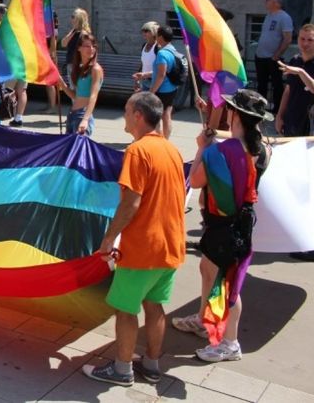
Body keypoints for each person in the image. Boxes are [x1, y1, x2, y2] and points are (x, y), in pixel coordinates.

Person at [82, 92, 186, 387]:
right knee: (154, 306)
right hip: (169, 245)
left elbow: (131, 202)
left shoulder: (138, 151)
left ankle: (122, 369)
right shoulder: (171, 150)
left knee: (126, 309)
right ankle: (151, 365)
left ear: (139, 115)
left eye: (127, 111)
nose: (125, 117)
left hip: (143, 248)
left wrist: (109, 238)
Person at [171, 89, 271, 362]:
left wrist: (202, 147)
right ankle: (205, 319)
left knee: (226, 285)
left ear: (234, 114)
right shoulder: (263, 150)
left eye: (229, 108)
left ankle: (230, 343)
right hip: (239, 224)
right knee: (210, 271)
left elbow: (196, 180)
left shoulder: (220, 152)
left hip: (222, 225)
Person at [58, 32, 104, 136]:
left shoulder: (95, 69)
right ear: (79, 48)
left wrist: (85, 119)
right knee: (70, 146)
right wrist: (61, 83)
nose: (91, 49)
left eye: (93, 46)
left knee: (80, 146)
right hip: (72, 114)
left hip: (83, 115)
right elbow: (76, 95)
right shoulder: (80, 68)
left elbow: (93, 96)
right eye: (87, 46)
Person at [254, 0, 293, 111]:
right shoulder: (268, 16)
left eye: (268, 0)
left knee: (277, 85)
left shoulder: (284, 17)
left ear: (276, 3)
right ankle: (259, 108)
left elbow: (287, 38)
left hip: (273, 58)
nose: (265, 2)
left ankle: (278, 110)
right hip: (260, 56)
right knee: (261, 84)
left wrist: (277, 54)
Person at [275, 23, 314, 136]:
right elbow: (288, 91)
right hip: (291, 119)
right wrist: (279, 116)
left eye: (310, 40)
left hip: (309, 122)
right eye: (302, 39)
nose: (305, 43)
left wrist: (300, 72)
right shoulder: (295, 60)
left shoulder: (299, 69)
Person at [148, 26, 180, 139]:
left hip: (162, 90)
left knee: (156, 116)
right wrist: (145, 75)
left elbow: (161, 74)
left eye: (157, 35)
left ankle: (158, 140)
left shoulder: (162, 53)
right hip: (172, 88)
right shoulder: (173, 50)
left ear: (161, 37)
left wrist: (152, 91)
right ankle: (166, 140)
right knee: (167, 115)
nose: (155, 37)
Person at [61, 8, 91, 74]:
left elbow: (86, 50)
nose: (71, 19)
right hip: (71, 64)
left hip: (79, 64)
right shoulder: (73, 31)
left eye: (73, 17)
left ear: (79, 19)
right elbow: (63, 44)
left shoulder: (84, 34)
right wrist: (73, 32)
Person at [133, 21, 159, 92]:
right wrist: (137, 79)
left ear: (154, 32)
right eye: (143, 31)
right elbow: (142, 64)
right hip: (144, 81)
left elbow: (160, 67)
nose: (143, 33)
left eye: (146, 31)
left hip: (154, 82)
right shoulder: (144, 45)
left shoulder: (157, 47)